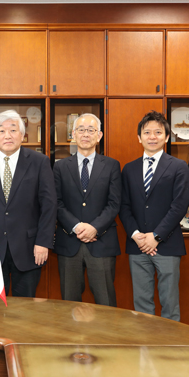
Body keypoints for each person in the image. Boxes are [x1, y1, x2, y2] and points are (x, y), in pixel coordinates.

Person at [0, 110, 56, 298]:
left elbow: (49, 206)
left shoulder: (39, 162)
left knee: (24, 311)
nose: (7, 135)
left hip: (29, 248)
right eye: (1, 131)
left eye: (13, 130)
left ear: (22, 135)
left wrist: (43, 241)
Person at [120, 111, 189, 320]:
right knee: (141, 303)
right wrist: (136, 235)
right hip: (138, 244)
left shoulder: (178, 167)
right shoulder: (129, 169)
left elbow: (179, 206)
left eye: (158, 132)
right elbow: (123, 206)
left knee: (169, 301)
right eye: (147, 132)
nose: (152, 136)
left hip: (167, 244)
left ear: (167, 137)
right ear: (139, 137)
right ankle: (145, 347)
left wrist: (156, 236)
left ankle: (169, 350)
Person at [53, 113, 121, 307]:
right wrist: (76, 226)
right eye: (81, 130)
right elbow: (56, 202)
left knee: (105, 301)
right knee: (69, 303)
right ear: (73, 134)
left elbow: (114, 203)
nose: (85, 134)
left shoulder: (111, 166)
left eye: (90, 130)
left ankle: (106, 339)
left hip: (102, 242)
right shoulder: (60, 167)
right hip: (69, 243)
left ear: (99, 136)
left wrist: (94, 228)